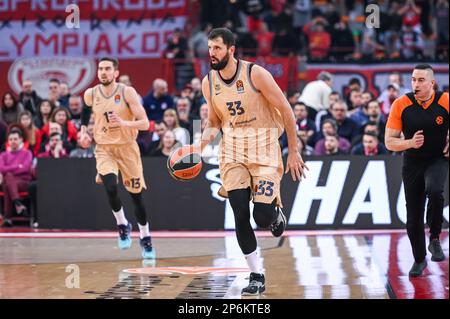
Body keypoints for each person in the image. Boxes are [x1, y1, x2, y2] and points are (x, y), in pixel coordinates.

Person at [196, 28, 308, 295]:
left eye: (217, 48)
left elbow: (286, 110)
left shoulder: (255, 73)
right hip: (232, 151)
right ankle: (256, 274)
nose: (212, 53)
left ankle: (275, 213)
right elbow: (213, 121)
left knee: (261, 216)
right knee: (239, 213)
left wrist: (293, 150)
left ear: (231, 49)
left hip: (265, 148)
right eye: (210, 48)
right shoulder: (208, 82)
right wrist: (196, 146)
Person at [80, 57, 154, 259]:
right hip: (104, 148)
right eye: (101, 69)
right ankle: (122, 224)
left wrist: (124, 123)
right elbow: (85, 114)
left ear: (116, 73)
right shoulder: (91, 94)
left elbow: (145, 123)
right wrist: (84, 132)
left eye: (107, 69)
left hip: (127, 149)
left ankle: (145, 236)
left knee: (136, 197)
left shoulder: (126, 92)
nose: (103, 72)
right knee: (111, 187)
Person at [385, 64, 449, 277]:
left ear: (432, 83)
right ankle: (419, 260)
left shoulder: (446, 101)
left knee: (436, 190)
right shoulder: (401, 104)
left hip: (438, 159)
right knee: (413, 217)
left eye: (421, 80)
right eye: (413, 79)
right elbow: (389, 142)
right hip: (412, 163)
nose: (416, 84)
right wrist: (410, 143)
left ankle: (435, 239)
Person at [0, 130, 33, 227]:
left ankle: (8, 217)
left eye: (15, 139)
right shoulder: (3, 155)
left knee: (8, 178)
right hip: (9, 182)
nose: (13, 141)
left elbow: (26, 168)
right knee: (8, 181)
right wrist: (18, 166)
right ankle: (17, 202)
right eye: (10, 139)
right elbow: (1, 168)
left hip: (23, 182)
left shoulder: (27, 153)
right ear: (8, 142)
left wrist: (10, 169)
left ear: (21, 140)